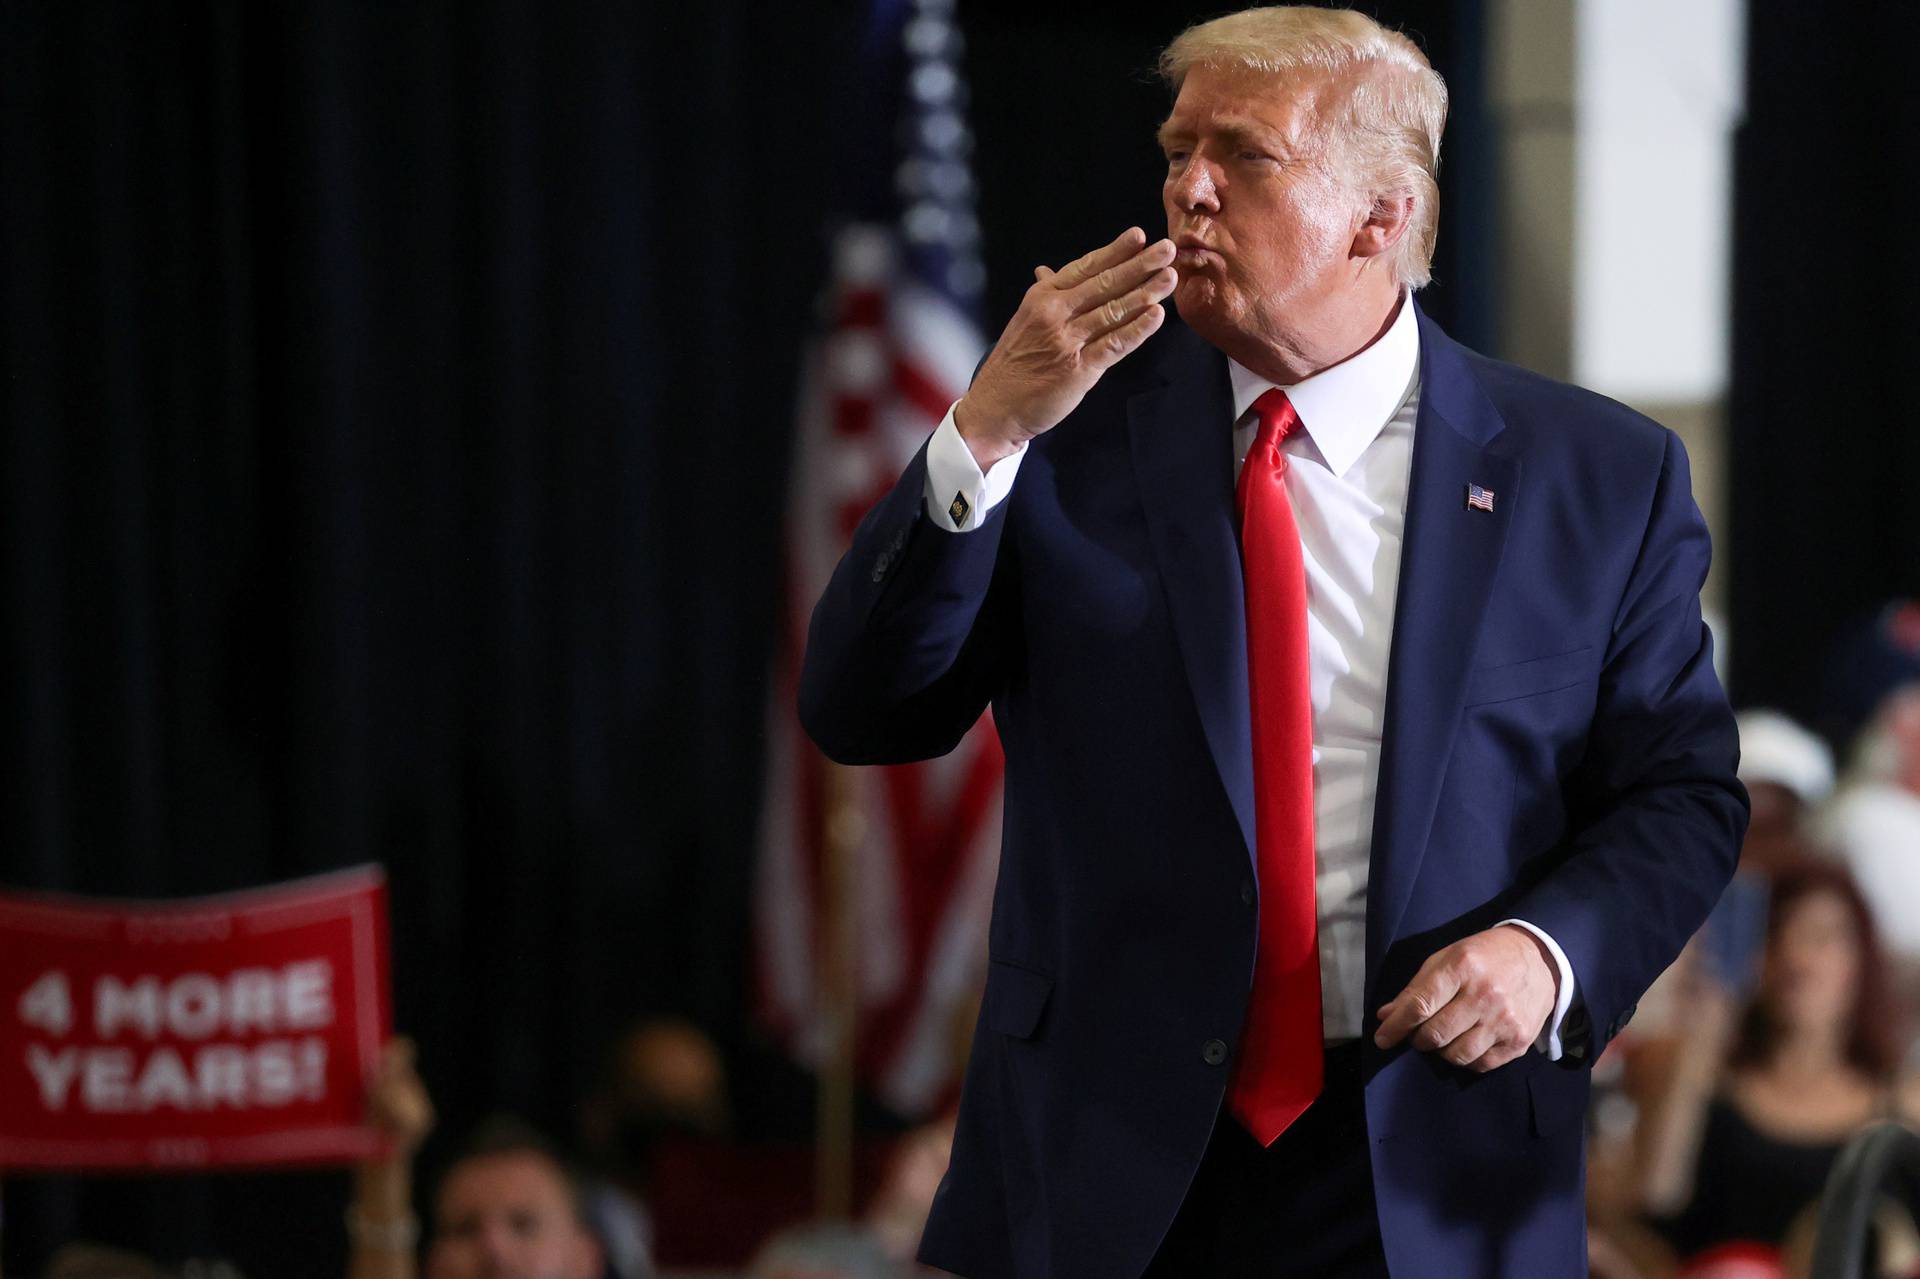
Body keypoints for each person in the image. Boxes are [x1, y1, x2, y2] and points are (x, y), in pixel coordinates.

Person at [800, 5, 1747, 1275]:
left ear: (1380, 220)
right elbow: (865, 709)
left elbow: (1680, 792)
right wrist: (981, 436)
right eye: (1178, 149)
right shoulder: (1064, 440)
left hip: (1433, 1162)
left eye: (1242, 157)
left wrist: (1549, 952)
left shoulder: (1598, 479)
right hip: (1106, 1164)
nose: (1186, 190)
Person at [1634, 859, 1909, 1272]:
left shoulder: (1901, 1108)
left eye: (1822, 937)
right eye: (1775, 934)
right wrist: (1706, 1028)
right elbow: (1654, 1197)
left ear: (1861, 961)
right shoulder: (1703, 1083)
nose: (1796, 957)